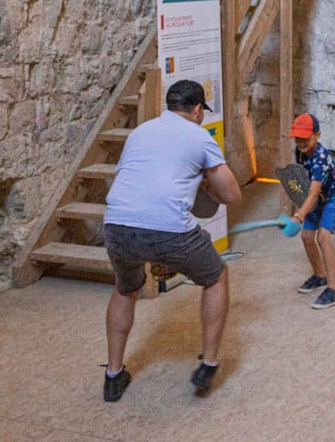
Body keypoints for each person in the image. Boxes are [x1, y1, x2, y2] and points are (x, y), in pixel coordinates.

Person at [101, 79, 242, 402]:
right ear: (196, 110)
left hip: (117, 224)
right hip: (168, 228)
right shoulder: (199, 137)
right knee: (216, 276)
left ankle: (112, 375)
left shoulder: (141, 132)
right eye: (201, 112)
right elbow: (232, 195)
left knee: (126, 289)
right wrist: (206, 177)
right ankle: (208, 364)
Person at [285, 113, 335, 309]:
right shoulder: (300, 152)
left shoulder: (320, 159)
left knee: (323, 237)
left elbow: (313, 193)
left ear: (317, 135)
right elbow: (306, 185)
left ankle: (334, 289)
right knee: (306, 236)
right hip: (317, 197)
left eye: (306, 137)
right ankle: (320, 276)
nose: (301, 142)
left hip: (333, 196)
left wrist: (298, 215)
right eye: (298, 137)